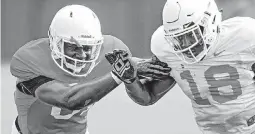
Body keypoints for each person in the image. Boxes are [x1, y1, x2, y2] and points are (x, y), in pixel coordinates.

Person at [105, 0, 255, 133]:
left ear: (211, 22)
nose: (185, 45)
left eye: (191, 35)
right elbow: (148, 97)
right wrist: (130, 80)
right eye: (178, 38)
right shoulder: (166, 49)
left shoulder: (244, 37)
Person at [10, 4, 170, 134]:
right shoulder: (31, 59)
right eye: (74, 47)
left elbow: (141, 93)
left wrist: (169, 65)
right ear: (55, 42)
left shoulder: (109, 52)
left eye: (89, 48)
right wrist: (117, 75)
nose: (83, 56)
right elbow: (68, 100)